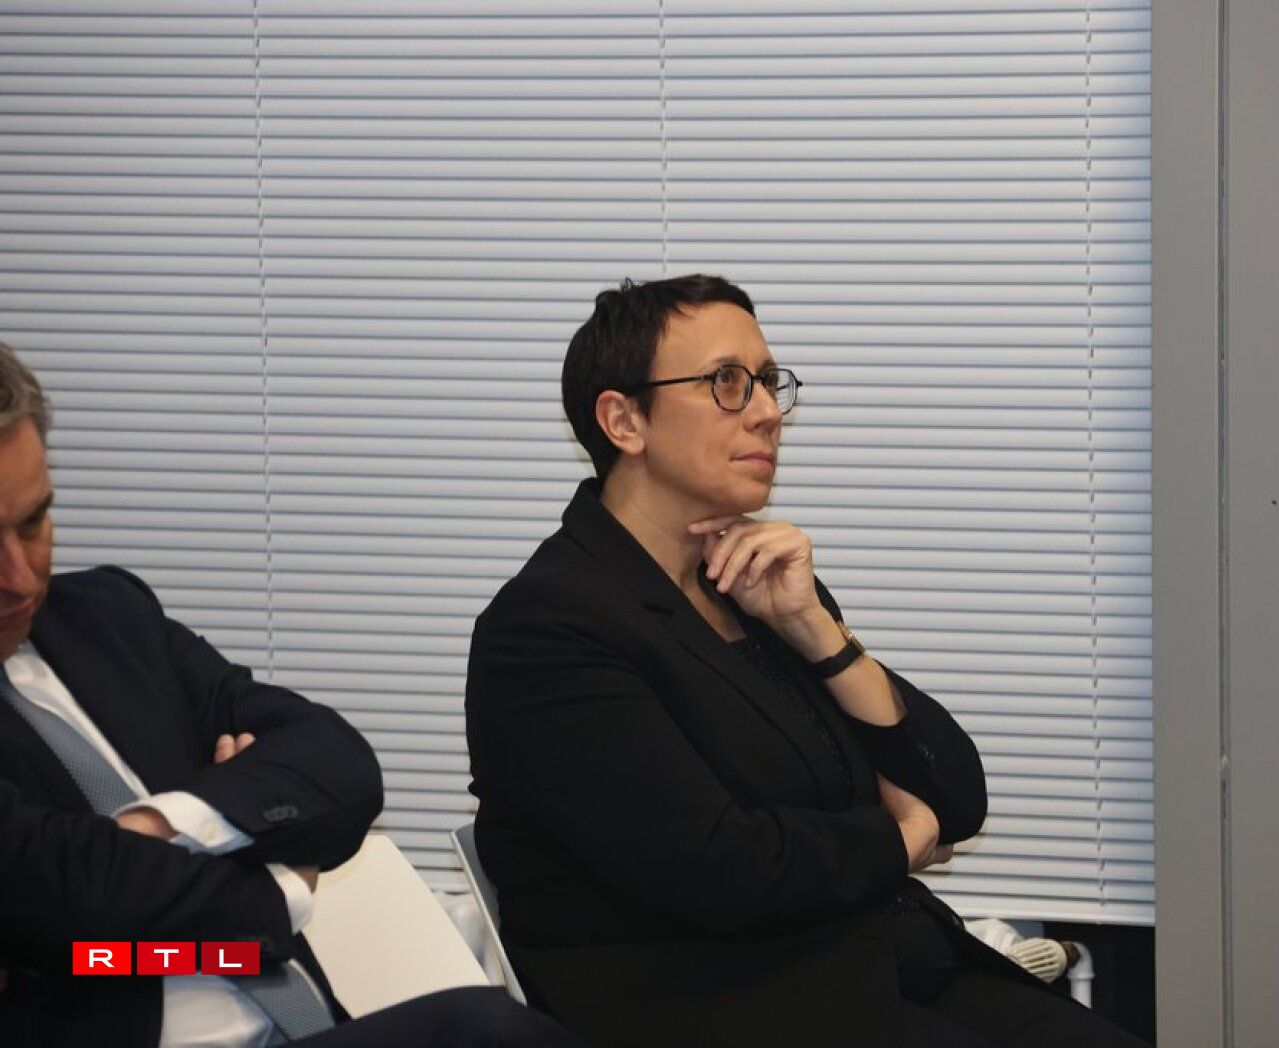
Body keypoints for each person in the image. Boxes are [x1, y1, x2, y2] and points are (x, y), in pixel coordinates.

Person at [466, 275, 1151, 1047]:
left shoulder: (753, 587)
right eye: (727, 382)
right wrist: (900, 841)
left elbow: (954, 797)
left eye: (768, 381)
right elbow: (725, 868)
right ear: (624, 421)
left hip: (874, 966)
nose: (767, 411)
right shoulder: (549, 628)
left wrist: (816, 631)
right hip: (727, 1009)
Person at [0, 343, 580, 1048]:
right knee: (481, 1032)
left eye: (33, 523)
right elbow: (69, 897)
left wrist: (159, 825)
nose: (20, 576)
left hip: (298, 1021)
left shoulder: (107, 617)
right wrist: (274, 882)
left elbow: (339, 765)